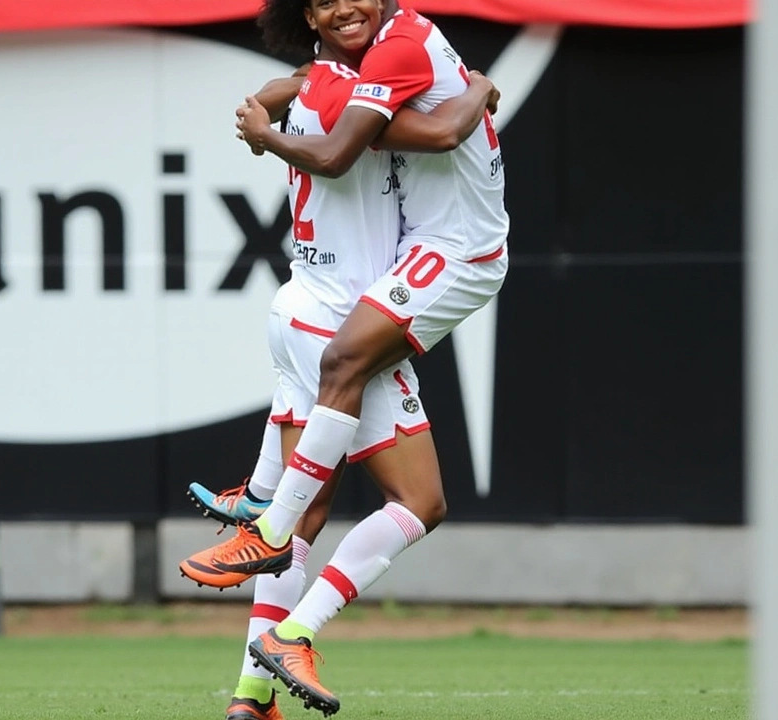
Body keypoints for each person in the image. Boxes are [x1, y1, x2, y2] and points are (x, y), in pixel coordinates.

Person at [180, 1, 503, 717]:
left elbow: (290, 88)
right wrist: (479, 90)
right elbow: (408, 135)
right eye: (326, 2)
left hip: (306, 309)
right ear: (314, 21)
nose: (344, 8)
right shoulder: (352, 90)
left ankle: (251, 692)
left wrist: (261, 124)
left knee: (375, 502)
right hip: (342, 313)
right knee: (356, 506)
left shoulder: (330, 78)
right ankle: (267, 546)